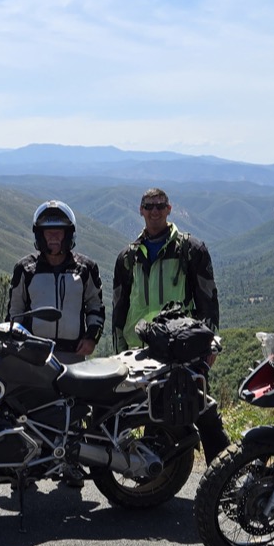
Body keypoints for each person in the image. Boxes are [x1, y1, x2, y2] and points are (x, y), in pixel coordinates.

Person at [110, 187, 228, 459]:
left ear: (169, 209)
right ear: (140, 210)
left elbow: (208, 299)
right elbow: (120, 308)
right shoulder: (128, 257)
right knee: (149, 415)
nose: (154, 212)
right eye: (149, 206)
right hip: (140, 350)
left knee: (201, 409)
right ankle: (156, 483)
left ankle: (224, 475)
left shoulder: (190, 249)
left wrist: (209, 345)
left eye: (160, 206)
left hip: (182, 348)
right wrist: (118, 349)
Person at [6, 200, 105, 363]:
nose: (53, 237)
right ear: (40, 235)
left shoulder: (86, 268)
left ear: (68, 234)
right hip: (34, 354)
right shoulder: (25, 269)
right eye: (48, 232)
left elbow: (95, 305)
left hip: (74, 354)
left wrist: (92, 337)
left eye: (58, 231)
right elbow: (15, 312)